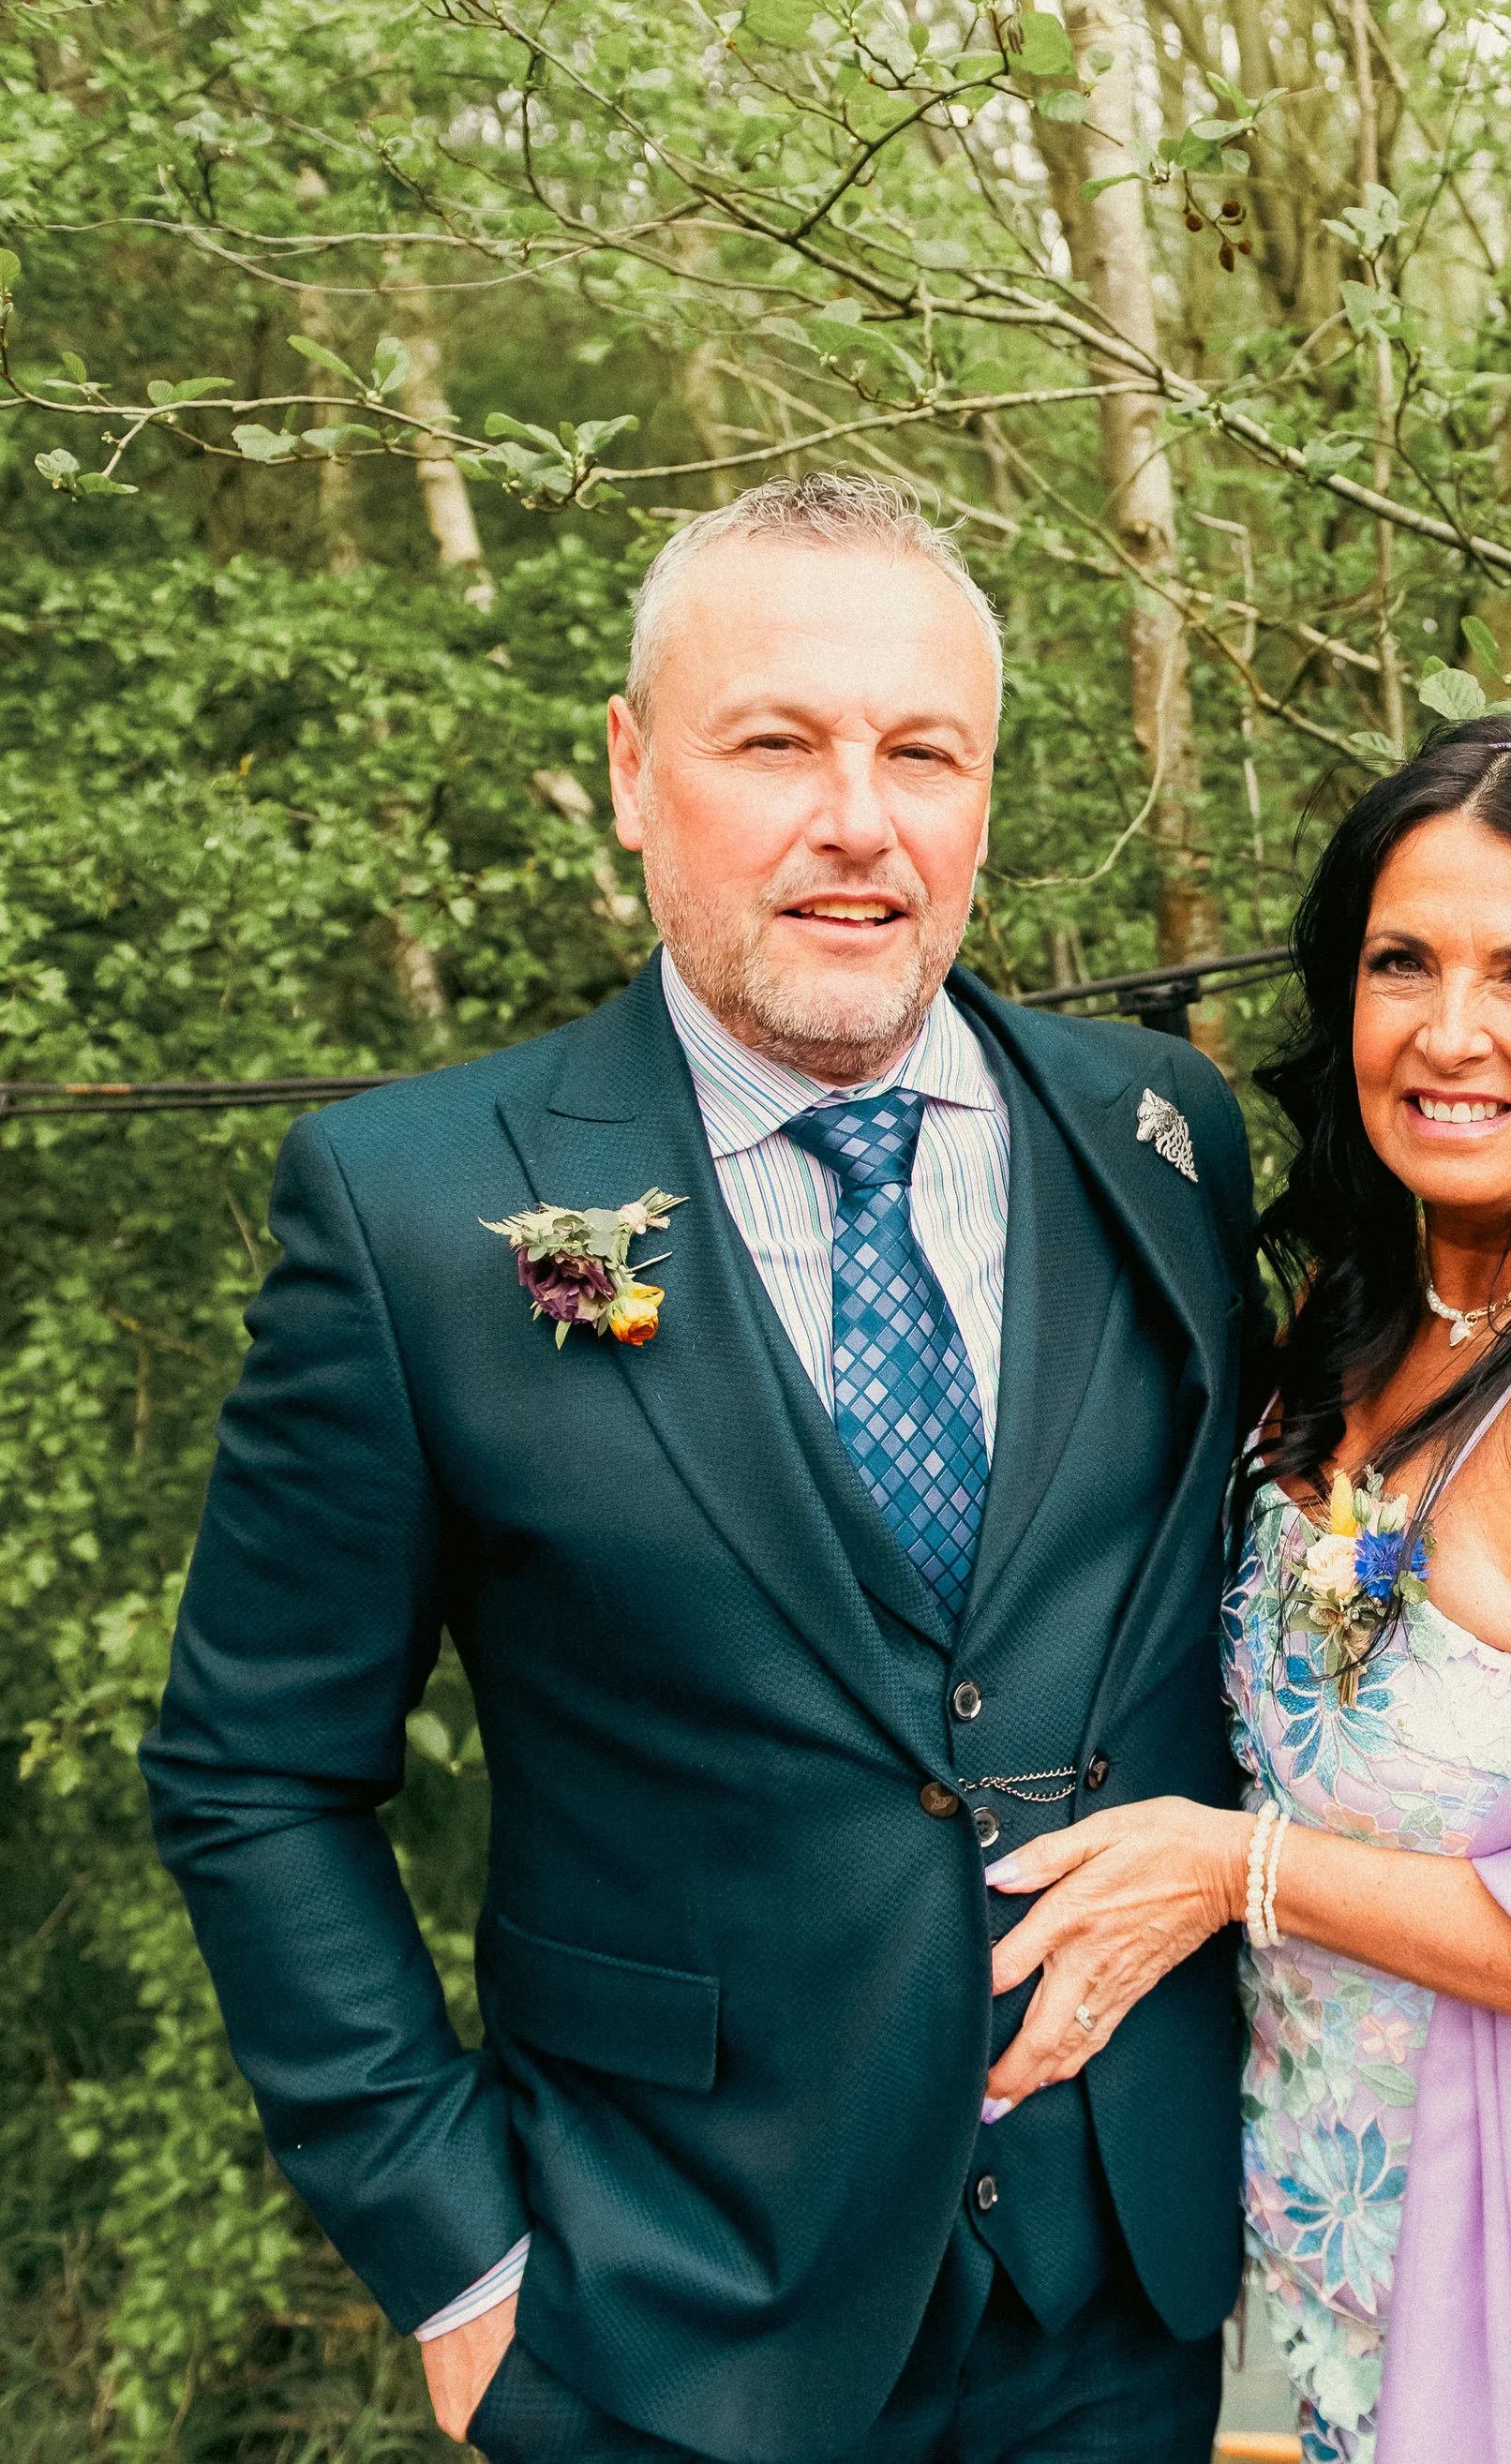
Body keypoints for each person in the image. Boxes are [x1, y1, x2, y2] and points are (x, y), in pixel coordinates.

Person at [141, 473, 1263, 2464]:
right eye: (777, 744)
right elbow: (254, 1777)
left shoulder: (1159, 1136)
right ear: (635, 773)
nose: (858, 819)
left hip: (1127, 2303)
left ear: (985, 794)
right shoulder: (416, 1211)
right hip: (665, 2327)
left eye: (921, 751)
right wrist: (458, 2266)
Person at [976, 622, 1511, 2463]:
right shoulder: (1380, 1322)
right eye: (1401, 963)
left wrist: (1240, 1873)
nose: (1446, 1032)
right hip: (1353, 2225)